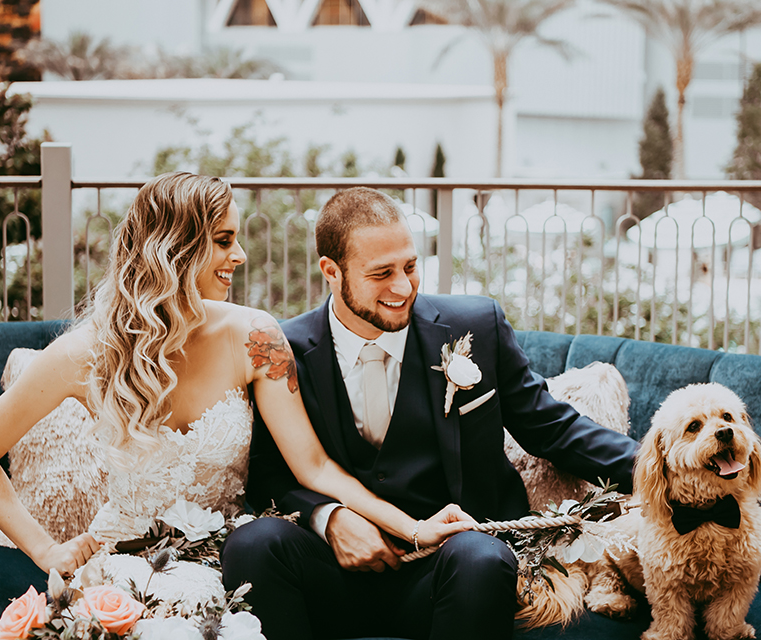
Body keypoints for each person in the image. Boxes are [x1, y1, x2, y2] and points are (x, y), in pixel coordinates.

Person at [0, 173, 472, 607]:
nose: (241, 255)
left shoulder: (256, 336)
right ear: (173, 249)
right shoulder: (84, 353)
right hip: (121, 574)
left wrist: (412, 528)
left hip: (228, 568)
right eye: (224, 240)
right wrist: (47, 552)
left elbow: (314, 467)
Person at [221, 187, 640, 640]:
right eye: (381, 273)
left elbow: (550, 426)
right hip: (332, 571)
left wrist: (661, 465)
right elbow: (268, 473)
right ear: (331, 271)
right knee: (253, 544)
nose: (402, 288)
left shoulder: (475, 326)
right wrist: (330, 519)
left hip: (451, 569)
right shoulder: (285, 349)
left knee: (481, 558)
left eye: (410, 267)